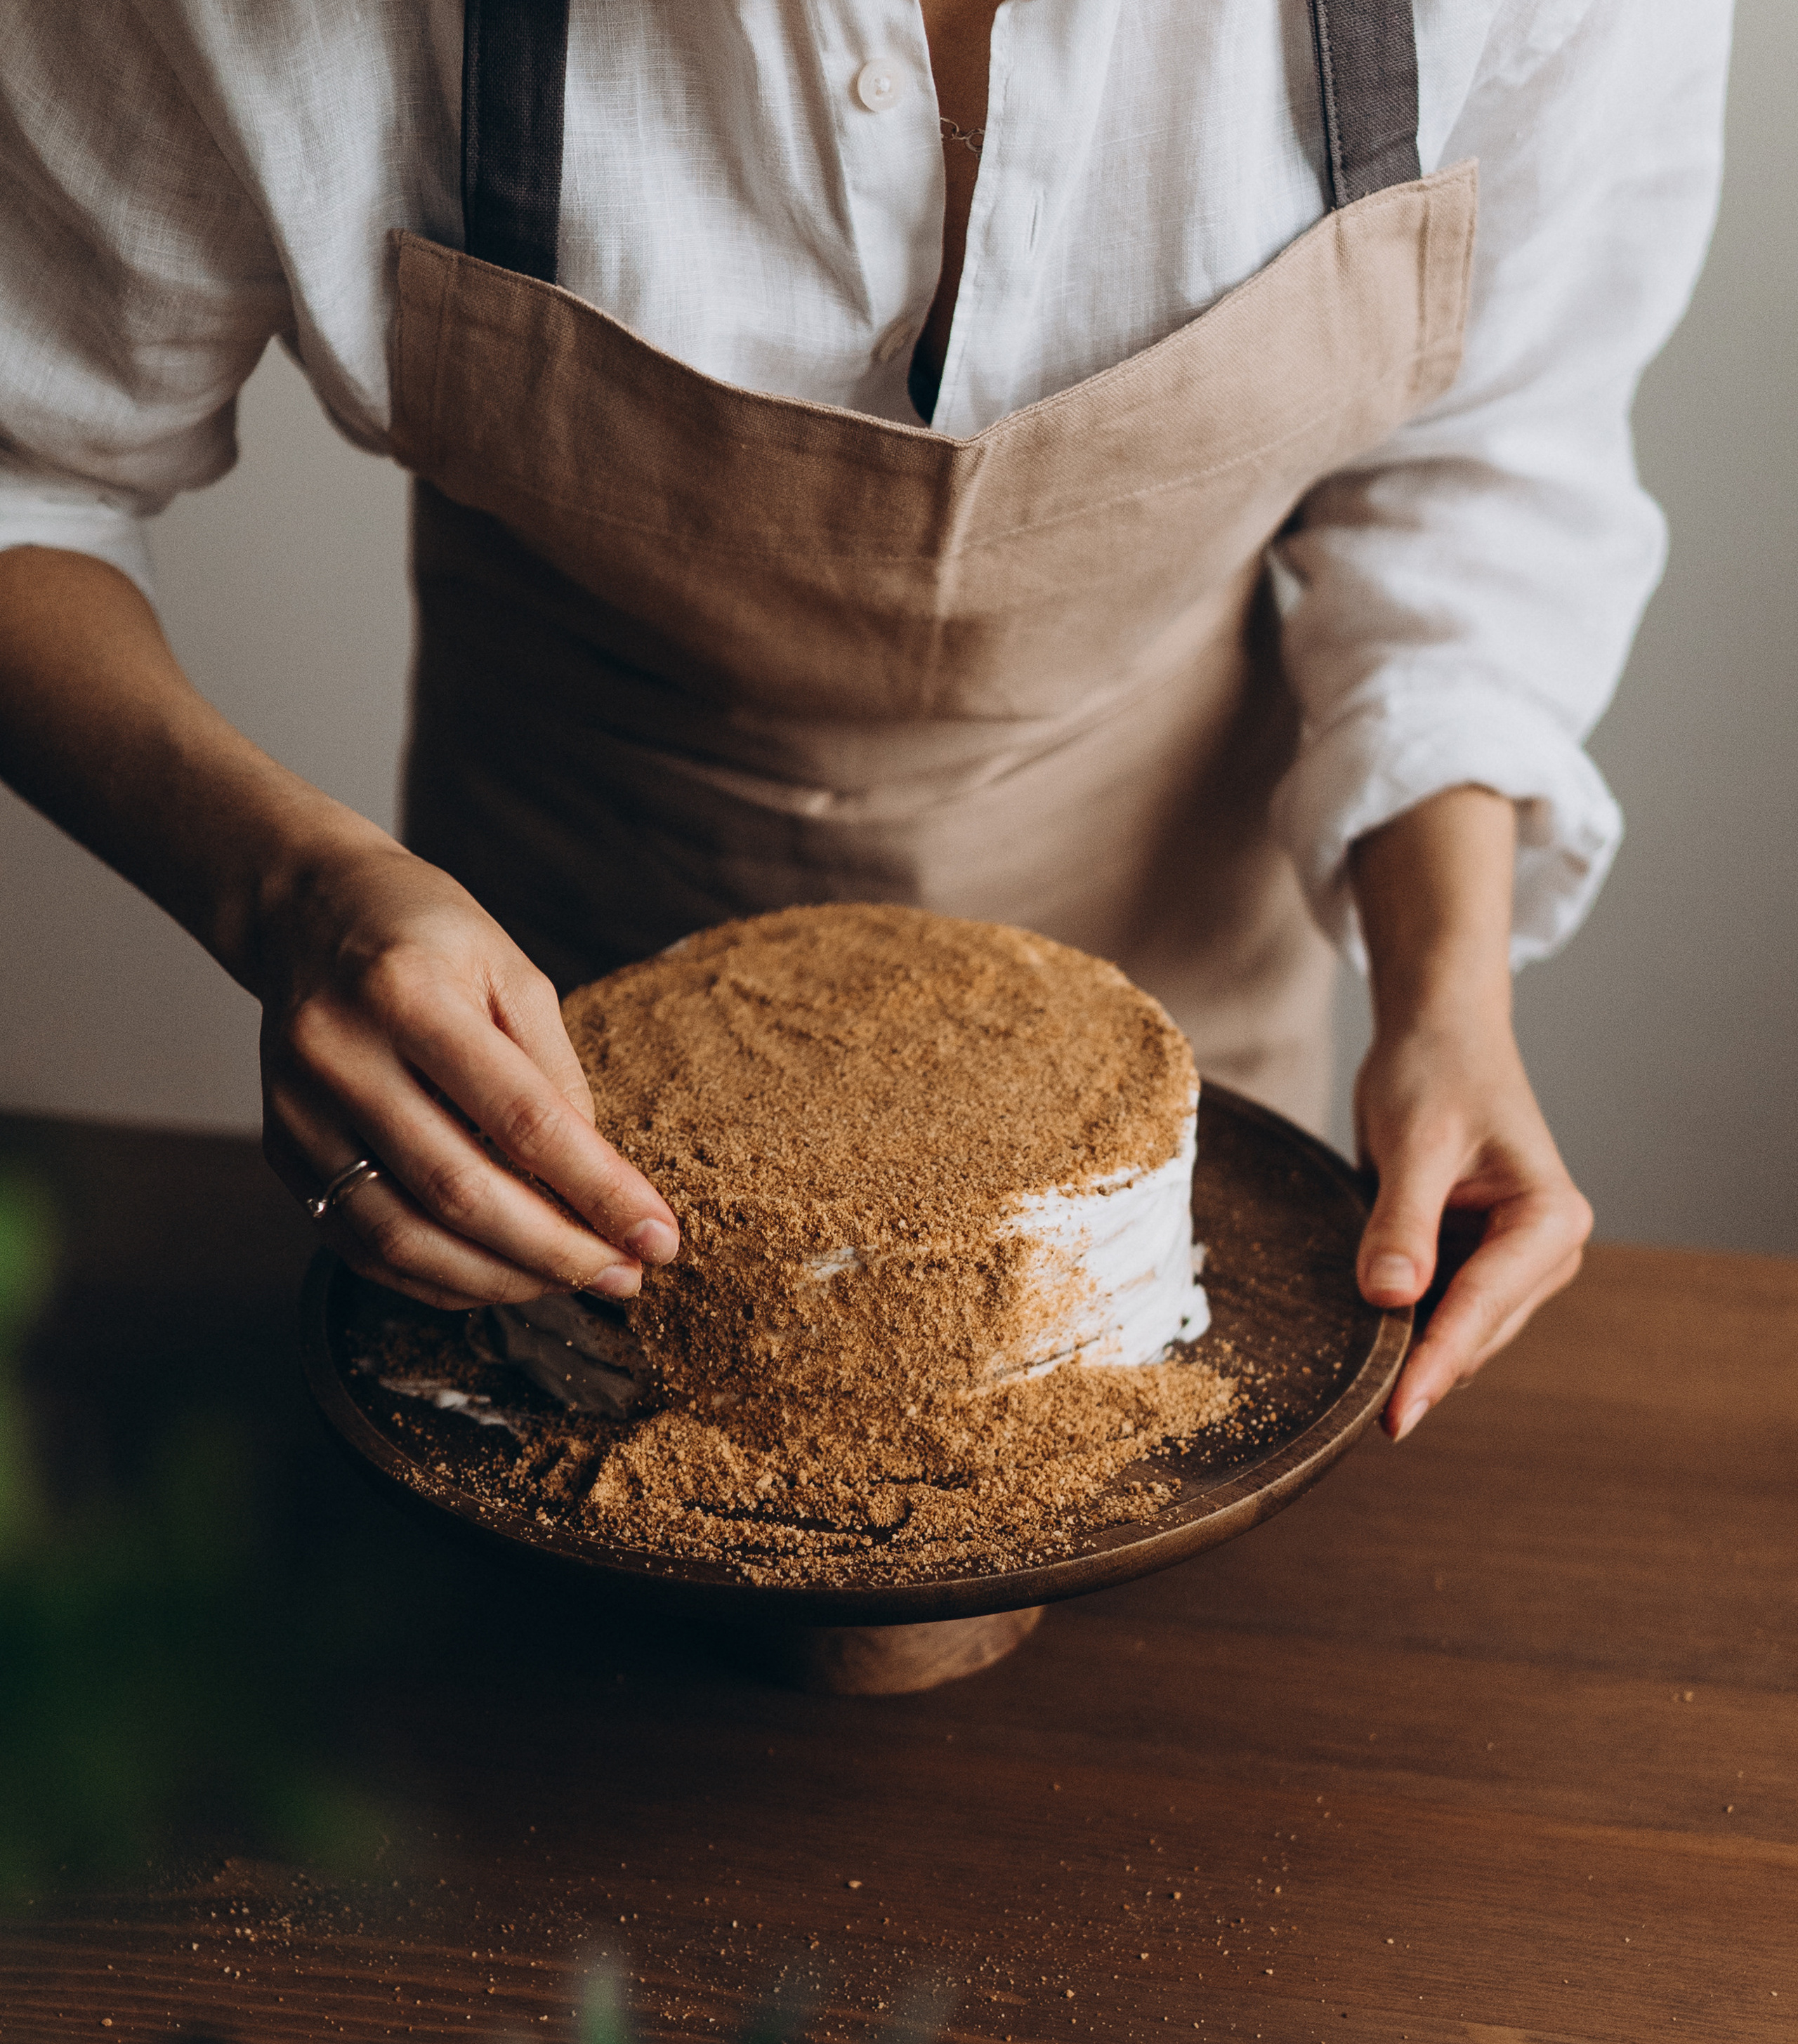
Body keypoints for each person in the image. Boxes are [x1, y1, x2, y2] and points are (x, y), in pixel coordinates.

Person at [0, 0, 1729, 1441]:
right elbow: (31, 478)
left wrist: (1445, 999)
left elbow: (1475, 466)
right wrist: (283, 894)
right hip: (533, 1113)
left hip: (1180, 1093)